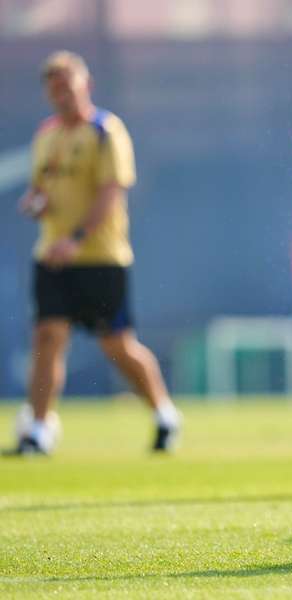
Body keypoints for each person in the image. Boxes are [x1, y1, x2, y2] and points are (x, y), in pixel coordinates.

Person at [13, 51, 180, 455]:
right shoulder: (46, 135)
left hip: (101, 257)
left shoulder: (106, 131)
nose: (62, 98)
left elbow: (112, 192)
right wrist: (34, 202)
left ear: (84, 86)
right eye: (55, 91)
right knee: (47, 337)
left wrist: (76, 237)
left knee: (117, 345)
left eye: (68, 89)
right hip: (52, 257)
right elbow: (41, 189)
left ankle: (164, 414)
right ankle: (39, 429)